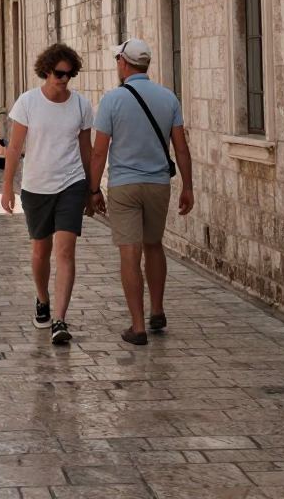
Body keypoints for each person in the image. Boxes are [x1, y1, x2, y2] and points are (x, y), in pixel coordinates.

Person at [90, 39, 194, 346]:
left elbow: (99, 153)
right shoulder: (168, 98)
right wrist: (188, 186)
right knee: (154, 245)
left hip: (124, 184)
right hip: (158, 184)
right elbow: (181, 148)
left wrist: (93, 190)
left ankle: (137, 327)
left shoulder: (112, 100)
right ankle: (157, 310)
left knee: (130, 253)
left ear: (123, 62)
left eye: (117, 61)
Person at [2, 44, 93, 345]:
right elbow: (14, 148)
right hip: (36, 187)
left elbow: (86, 150)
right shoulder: (28, 103)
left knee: (65, 251)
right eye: (59, 73)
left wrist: (92, 189)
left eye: (69, 74)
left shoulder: (80, 106)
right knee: (41, 252)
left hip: (71, 183)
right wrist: (6, 187)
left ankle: (60, 320)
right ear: (46, 70)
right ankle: (43, 299)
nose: (64, 79)